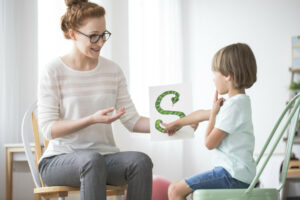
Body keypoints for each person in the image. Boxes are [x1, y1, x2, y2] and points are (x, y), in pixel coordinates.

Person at [37, 0, 153, 199]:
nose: (100, 42)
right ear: (73, 33)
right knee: (92, 161)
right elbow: (49, 129)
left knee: (141, 162)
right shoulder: (53, 70)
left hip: (103, 159)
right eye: (93, 36)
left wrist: (167, 124)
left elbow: (132, 120)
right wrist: (90, 119)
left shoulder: (113, 70)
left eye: (103, 35)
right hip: (59, 160)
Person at [163, 43, 257, 200]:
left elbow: (209, 143)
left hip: (232, 176)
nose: (213, 79)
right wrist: (178, 122)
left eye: (215, 74)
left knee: (175, 190)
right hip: (240, 175)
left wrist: (213, 115)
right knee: (185, 190)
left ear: (227, 75)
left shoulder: (233, 106)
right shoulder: (239, 103)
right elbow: (201, 114)